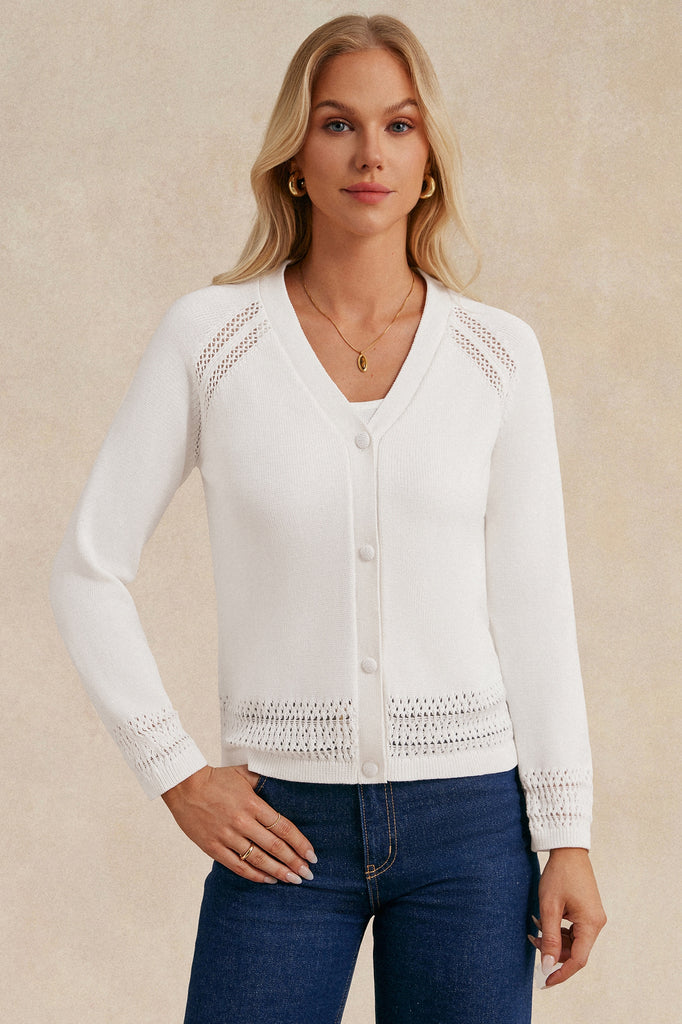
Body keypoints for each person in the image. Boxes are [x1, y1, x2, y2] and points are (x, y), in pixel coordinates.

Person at [50, 13, 606, 1024]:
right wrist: (176, 774)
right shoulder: (211, 339)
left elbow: (535, 603)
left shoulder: (497, 355)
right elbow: (88, 568)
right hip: (281, 825)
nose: (369, 154)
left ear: (428, 161)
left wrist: (565, 833)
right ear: (295, 158)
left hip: (473, 827)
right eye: (337, 124)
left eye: (399, 125)